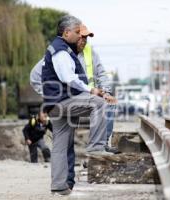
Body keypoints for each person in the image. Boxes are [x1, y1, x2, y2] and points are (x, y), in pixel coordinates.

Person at [41, 15, 108, 195]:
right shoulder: (61, 51)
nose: (80, 36)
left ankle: (59, 186)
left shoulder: (63, 49)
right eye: (77, 32)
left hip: (54, 104)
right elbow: (68, 78)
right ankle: (96, 147)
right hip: (62, 101)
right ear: (66, 32)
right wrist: (91, 90)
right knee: (99, 103)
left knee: (60, 146)